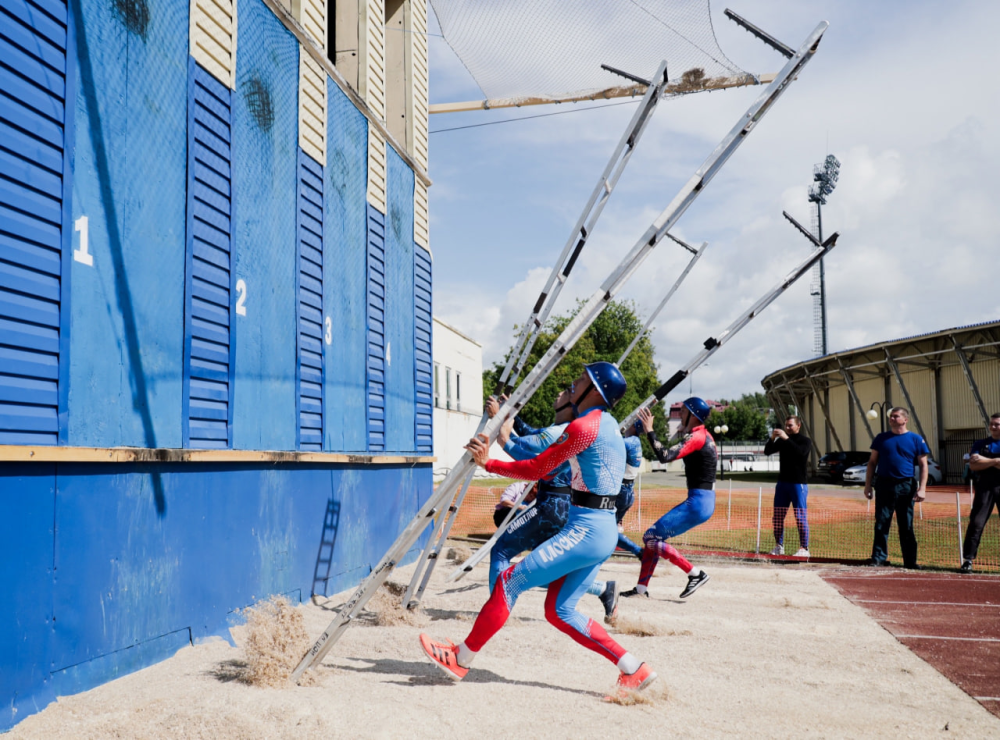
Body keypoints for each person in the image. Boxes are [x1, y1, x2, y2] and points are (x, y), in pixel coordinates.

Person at [418, 363, 656, 695]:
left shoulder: (584, 426)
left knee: (508, 581)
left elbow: (539, 467)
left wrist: (489, 463)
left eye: (581, 380)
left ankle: (461, 658)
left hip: (585, 530)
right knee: (560, 611)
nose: (573, 385)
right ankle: (633, 668)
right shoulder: (611, 426)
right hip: (602, 532)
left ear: (596, 391)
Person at [487, 392, 620, 622]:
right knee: (541, 565)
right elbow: (530, 436)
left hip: (551, 506)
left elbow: (529, 450)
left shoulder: (564, 430)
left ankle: (494, 611)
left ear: (572, 404)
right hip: (562, 506)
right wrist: (509, 414)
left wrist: (502, 432)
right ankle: (602, 589)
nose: (560, 393)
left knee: (501, 550)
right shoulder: (560, 429)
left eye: (568, 392)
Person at [622, 397, 715, 599]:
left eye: (683, 411)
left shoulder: (698, 437)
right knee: (653, 538)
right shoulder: (701, 435)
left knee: (650, 537)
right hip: (702, 500)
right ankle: (640, 589)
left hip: (698, 502)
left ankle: (695, 573)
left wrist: (649, 430)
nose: (680, 414)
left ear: (693, 415)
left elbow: (665, 455)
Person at [863, 407, 929, 569]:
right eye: (891, 417)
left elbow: (923, 465)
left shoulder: (916, 439)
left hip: (906, 485)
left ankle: (910, 561)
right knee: (881, 522)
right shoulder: (881, 438)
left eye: (896, 416)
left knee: (906, 524)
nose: (891, 419)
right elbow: (872, 463)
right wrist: (868, 485)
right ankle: (878, 558)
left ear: (905, 419)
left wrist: (922, 488)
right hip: (884, 484)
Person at [763, 416, 812, 557]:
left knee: (800, 516)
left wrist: (786, 438)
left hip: (798, 484)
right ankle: (779, 546)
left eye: (790, 425)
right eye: (786, 425)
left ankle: (804, 548)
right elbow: (767, 451)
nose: (787, 428)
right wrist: (772, 438)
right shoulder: (782, 441)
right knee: (777, 516)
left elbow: (800, 453)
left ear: (798, 426)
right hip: (782, 483)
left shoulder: (805, 441)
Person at [960, 413, 1000, 573]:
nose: (994, 426)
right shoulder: (981, 443)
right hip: (985, 487)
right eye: (992, 424)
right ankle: (968, 560)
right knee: (976, 523)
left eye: (997, 424)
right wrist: (997, 461)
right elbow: (973, 465)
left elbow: (978, 461)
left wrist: (984, 461)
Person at [614, 431, 645, 559]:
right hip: (627, 490)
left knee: (606, 530)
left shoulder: (631, 441)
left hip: (622, 490)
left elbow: (611, 443)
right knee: (609, 530)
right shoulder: (635, 442)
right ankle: (639, 552)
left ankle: (639, 552)